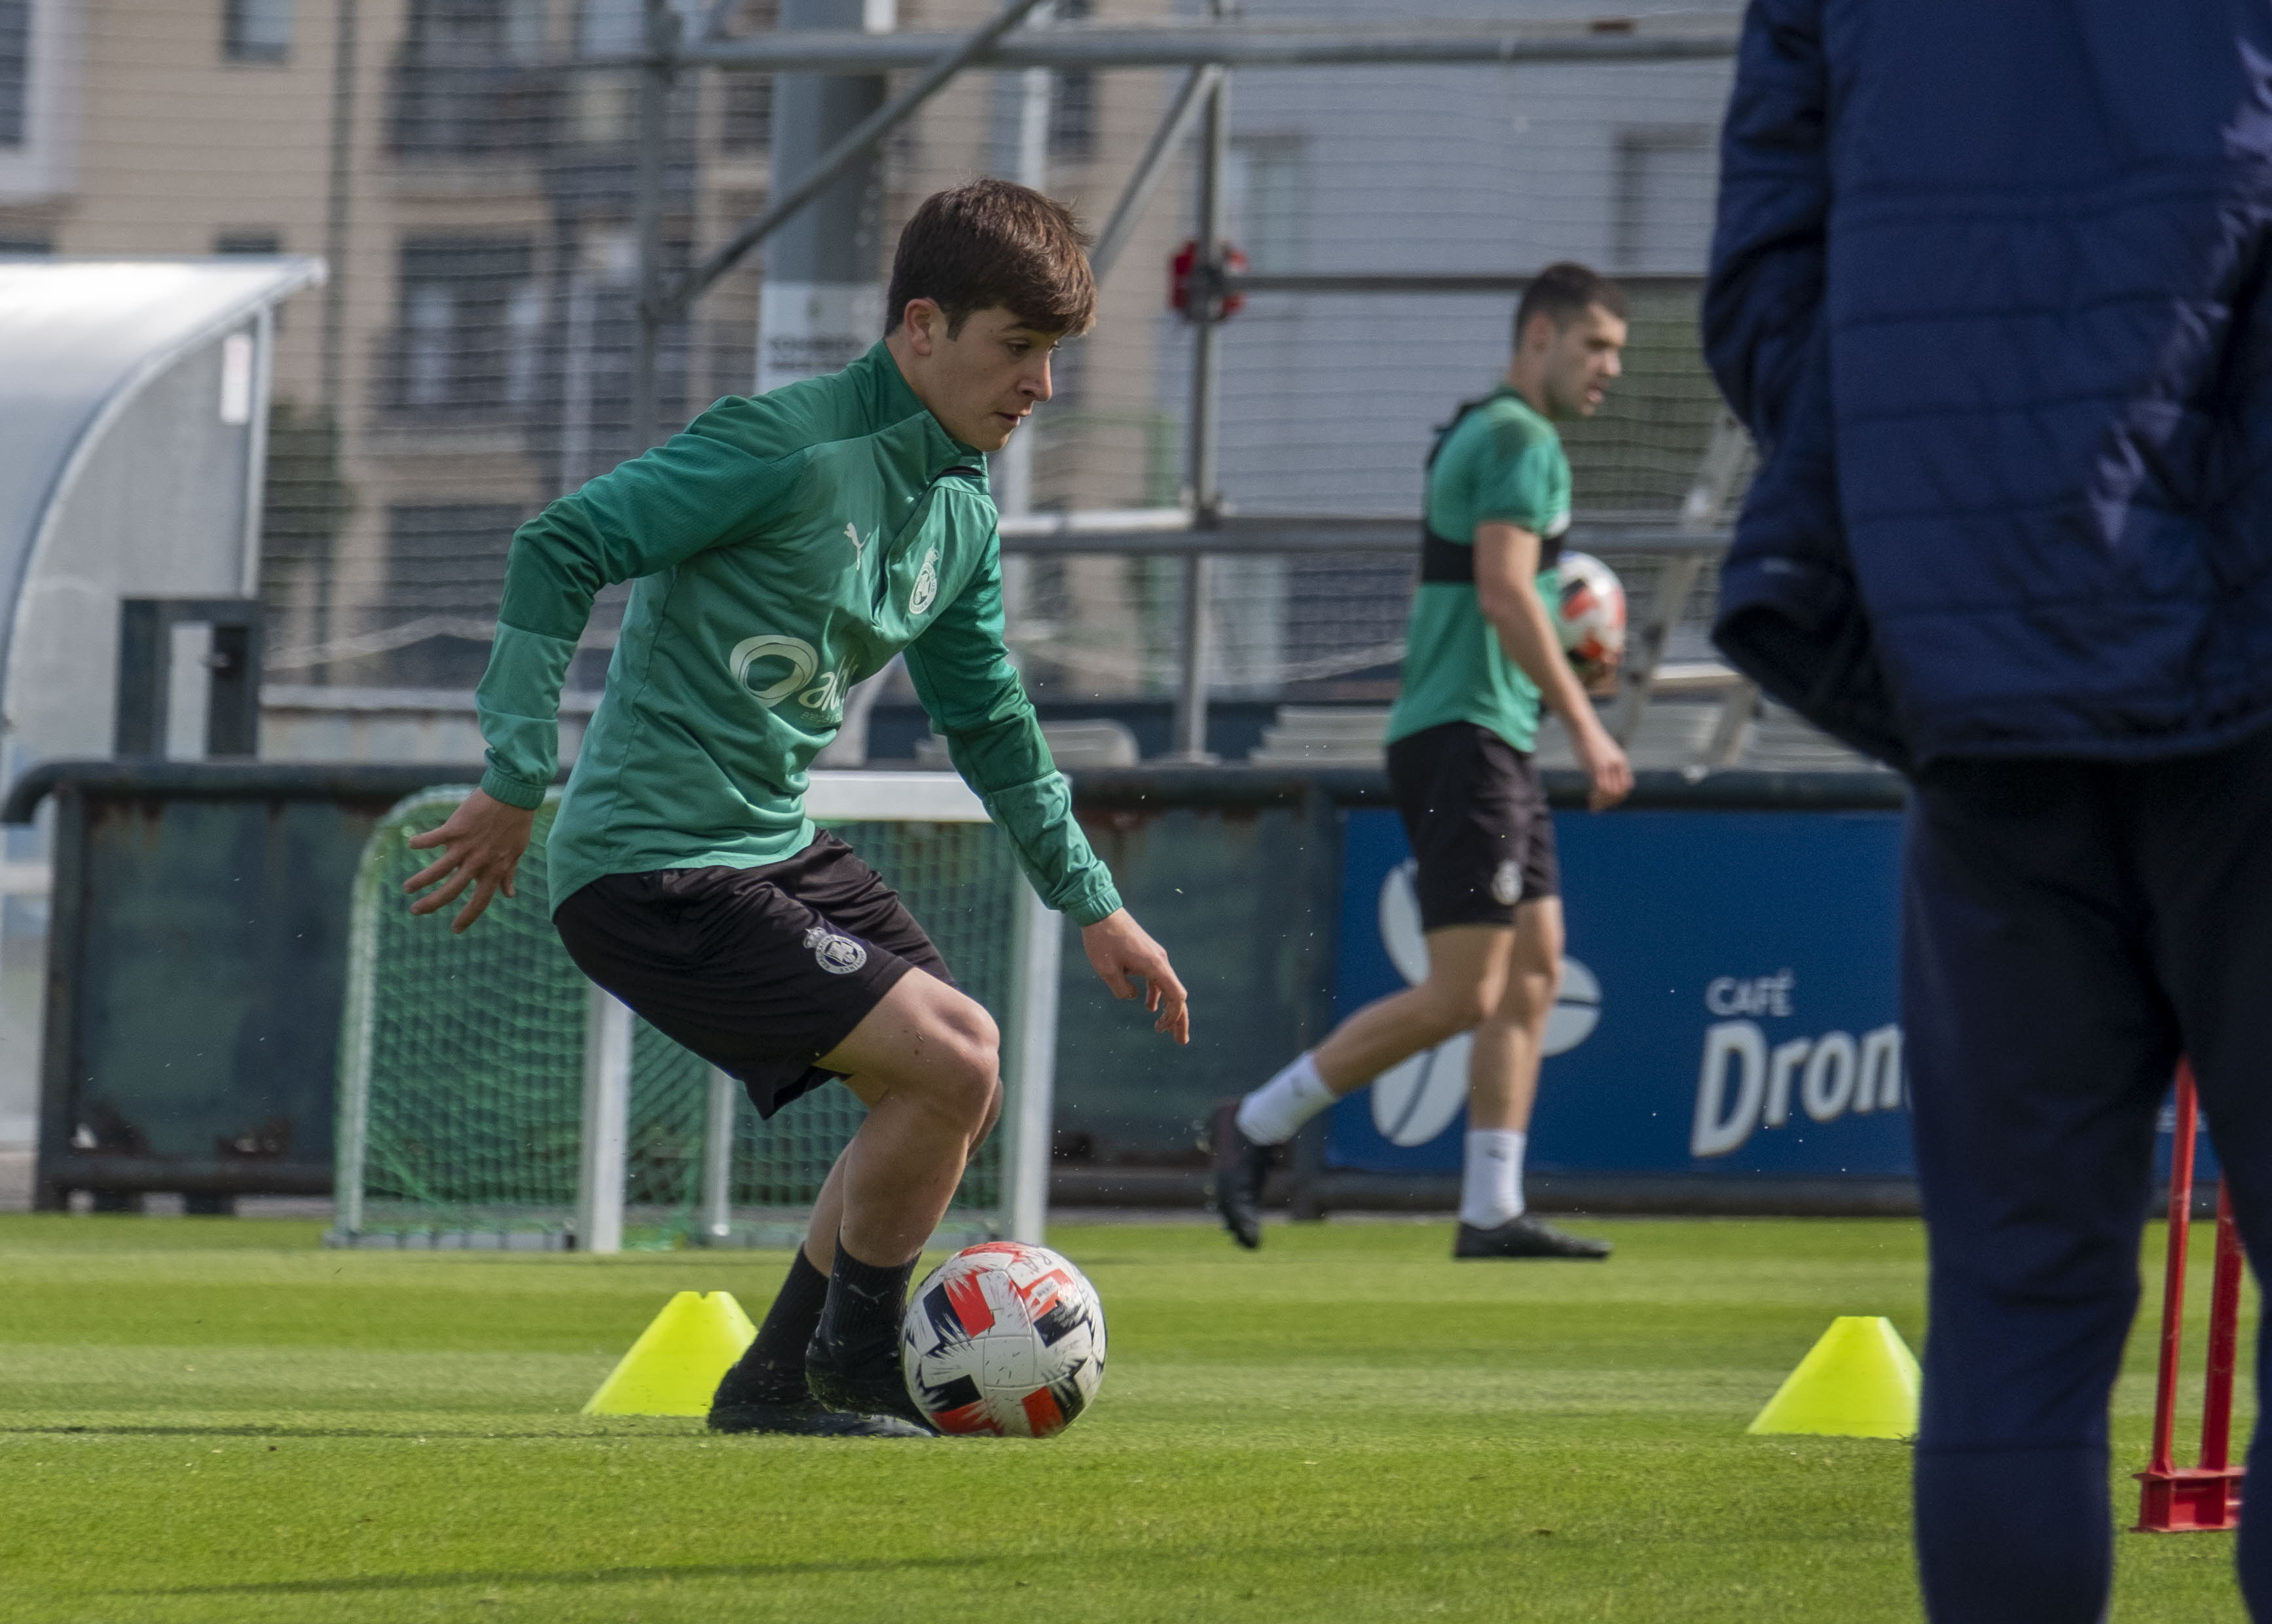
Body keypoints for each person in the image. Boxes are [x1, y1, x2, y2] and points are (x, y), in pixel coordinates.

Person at [401, 180, 1189, 1439]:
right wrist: (513, 775)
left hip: (765, 848)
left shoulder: (961, 512)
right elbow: (559, 544)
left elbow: (990, 726)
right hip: (649, 870)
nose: (1041, 389)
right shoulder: (785, 444)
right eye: (1020, 350)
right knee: (948, 1061)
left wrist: (1096, 908)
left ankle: (775, 1381)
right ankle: (851, 1366)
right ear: (922, 327)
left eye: (1055, 359)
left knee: (948, 1080)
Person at [1708, 4, 2272, 1617]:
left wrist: (1932, 517)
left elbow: (1762, 285)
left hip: (1979, 671)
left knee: (2017, 1308)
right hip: (2229, 667)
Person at [1211, 262, 1635, 1260]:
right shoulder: (1521, 440)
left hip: (1481, 732)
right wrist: (1589, 723)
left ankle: (1490, 1206)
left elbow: (1468, 586)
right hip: (1468, 737)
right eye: (1595, 347)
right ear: (1539, 336)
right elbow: (1502, 590)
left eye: (1616, 351)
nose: (1609, 368)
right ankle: (1257, 1124)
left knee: (1533, 972)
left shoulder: (1476, 428)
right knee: (1463, 994)